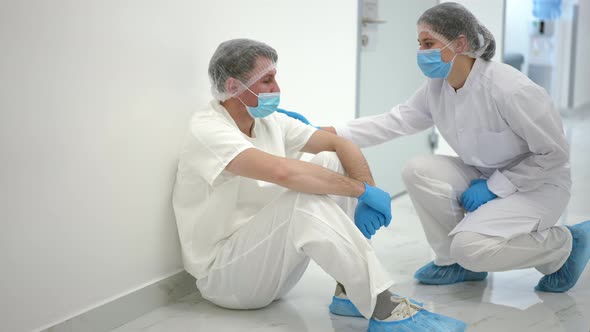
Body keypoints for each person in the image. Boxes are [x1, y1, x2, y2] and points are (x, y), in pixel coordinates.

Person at [284, 2, 590, 292]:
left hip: (537, 186)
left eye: (428, 44)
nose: (420, 52)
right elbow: (395, 121)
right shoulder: (438, 86)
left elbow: (553, 153)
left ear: (458, 44)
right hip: (486, 174)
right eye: (419, 43)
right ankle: (456, 264)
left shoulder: (511, 89)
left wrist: (497, 186)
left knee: (471, 246)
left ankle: (565, 244)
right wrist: (318, 132)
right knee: (418, 170)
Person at [172, 38, 466, 331]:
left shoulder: (269, 122)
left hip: (269, 265)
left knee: (331, 160)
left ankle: (349, 292)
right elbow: (282, 173)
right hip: (227, 278)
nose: (277, 89)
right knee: (302, 201)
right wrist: (362, 191)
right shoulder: (208, 130)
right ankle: (383, 304)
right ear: (234, 87)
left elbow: (340, 143)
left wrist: (367, 189)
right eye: (267, 80)